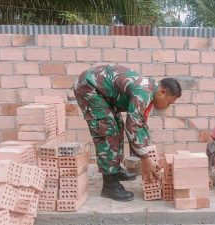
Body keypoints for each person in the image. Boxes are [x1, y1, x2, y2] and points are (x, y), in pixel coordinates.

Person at [73, 65, 182, 202]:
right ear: (162, 92)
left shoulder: (149, 91)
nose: (167, 106)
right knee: (108, 131)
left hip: (102, 93)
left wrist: (148, 152)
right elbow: (133, 126)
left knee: (117, 125)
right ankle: (109, 184)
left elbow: (140, 124)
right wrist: (145, 158)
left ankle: (115, 169)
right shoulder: (143, 93)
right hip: (88, 87)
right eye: (168, 102)